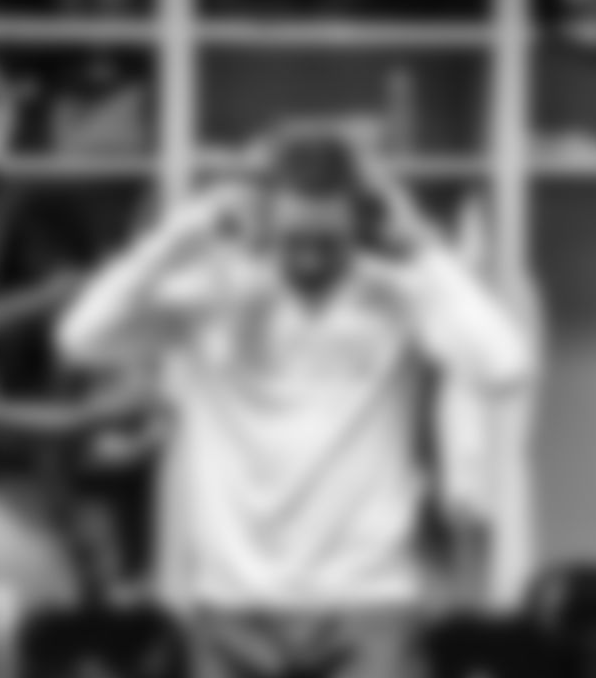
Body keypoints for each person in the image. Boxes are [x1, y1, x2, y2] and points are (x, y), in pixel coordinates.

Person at [58, 126, 534, 678]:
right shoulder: (212, 296)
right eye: (294, 240)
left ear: (360, 224)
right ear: (263, 223)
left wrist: (423, 247)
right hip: (234, 601)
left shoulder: (398, 295)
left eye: (328, 243)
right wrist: (183, 233)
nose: (310, 260)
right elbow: (80, 338)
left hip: (368, 599)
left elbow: (507, 366)